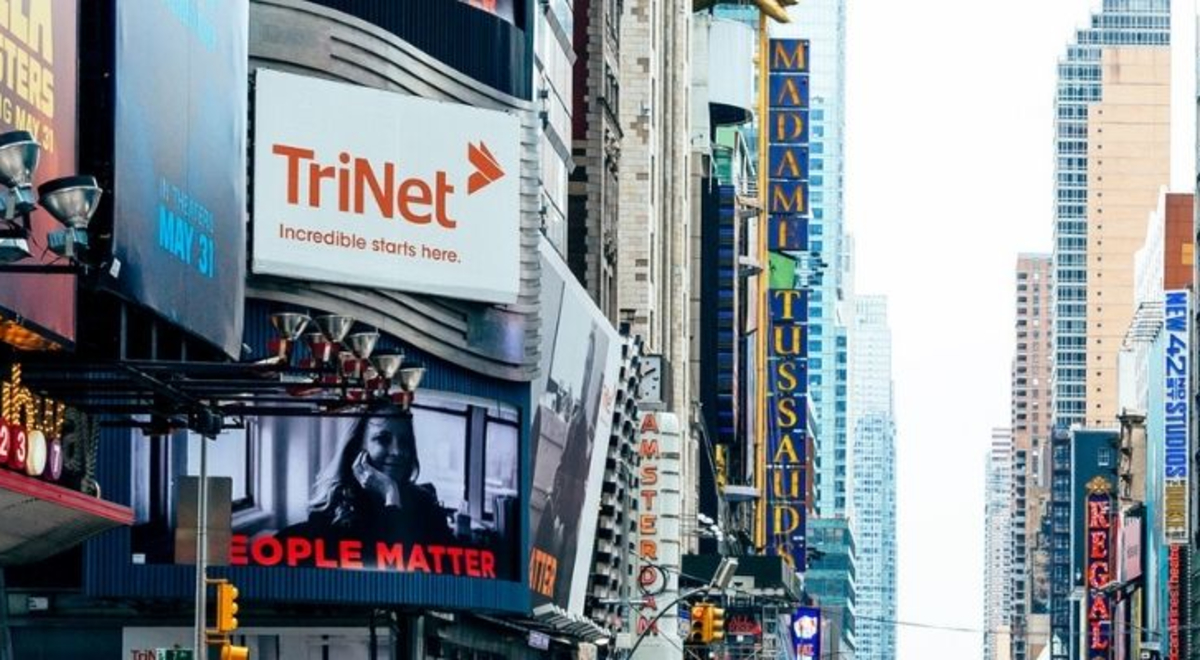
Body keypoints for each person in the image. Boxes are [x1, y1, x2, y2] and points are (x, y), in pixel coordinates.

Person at [276, 401, 454, 553]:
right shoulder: (333, 509)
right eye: (383, 439)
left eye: (405, 442)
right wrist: (390, 496)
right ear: (357, 448)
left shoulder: (426, 505)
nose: (398, 452)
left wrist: (391, 495)